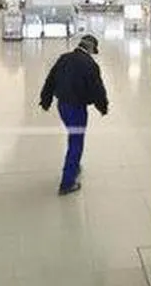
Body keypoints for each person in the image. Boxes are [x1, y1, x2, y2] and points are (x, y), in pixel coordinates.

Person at [39, 34, 108, 195]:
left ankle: (74, 166)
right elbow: (97, 88)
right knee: (76, 142)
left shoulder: (64, 58)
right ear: (90, 48)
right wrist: (102, 106)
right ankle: (67, 182)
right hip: (77, 108)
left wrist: (45, 100)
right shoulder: (90, 64)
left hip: (62, 106)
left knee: (73, 137)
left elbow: (50, 80)